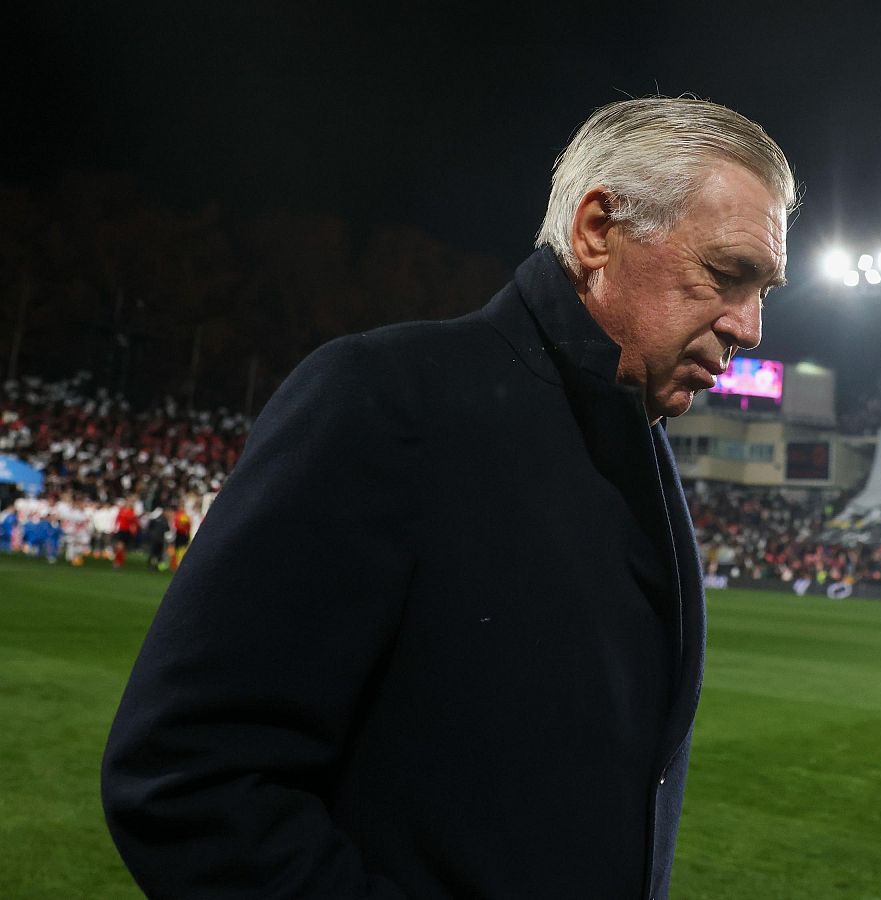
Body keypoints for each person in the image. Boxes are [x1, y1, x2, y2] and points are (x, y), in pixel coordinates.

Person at [102, 97, 794, 898]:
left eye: (766, 290)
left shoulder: (635, 434)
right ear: (597, 230)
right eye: (727, 273)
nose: (750, 328)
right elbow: (187, 780)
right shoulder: (385, 399)